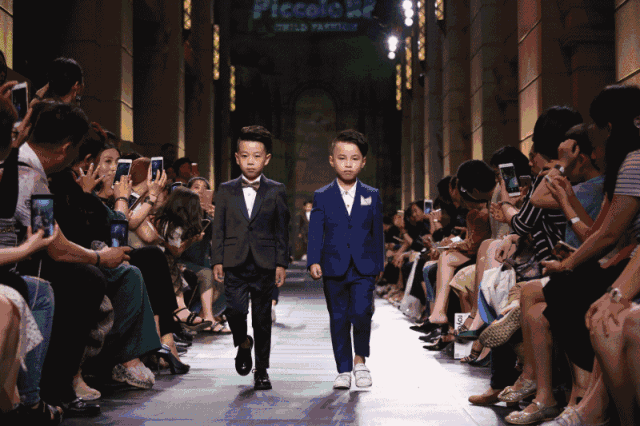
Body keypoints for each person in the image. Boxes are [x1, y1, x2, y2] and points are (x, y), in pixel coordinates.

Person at [212, 125, 290, 391]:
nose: (250, 161)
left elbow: (282, 229)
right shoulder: (225, 189)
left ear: (266, 159)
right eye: (245, 156)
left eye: (256, 156)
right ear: (237, 158)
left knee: (262, 319)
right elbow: (218, 228)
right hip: (234, 260)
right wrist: (217, 259)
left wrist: (281, 262)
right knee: (234, 310)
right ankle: (243, 343)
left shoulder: (276, 190)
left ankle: (262, 370)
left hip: (265, 262)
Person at [307, 129, 384, 390]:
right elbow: (316, 231)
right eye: (342, 158)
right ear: (332, 161)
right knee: (338, 317)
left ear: (363, 162)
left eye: (354, 158)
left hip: (364, 266)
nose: (348, 164)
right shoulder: (322, 195)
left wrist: (379, 264)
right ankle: (343, 369)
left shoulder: (372, 194)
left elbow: (377, 232)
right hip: (333, 265)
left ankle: (360, 362)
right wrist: (313, 260)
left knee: (362, 313)